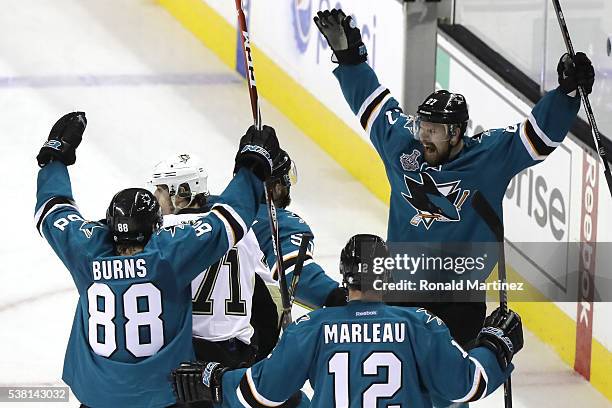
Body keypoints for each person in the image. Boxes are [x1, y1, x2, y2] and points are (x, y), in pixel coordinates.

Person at [313, 9, 595, 346]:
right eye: (423, 127)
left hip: (460, 300)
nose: (425, 137)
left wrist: (565, 93)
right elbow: (370, 102)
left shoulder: (486, 158)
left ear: (457, 133)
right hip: (404, 291)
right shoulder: (404, 145)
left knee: (453, 389)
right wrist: (349, 57)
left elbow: (537, 137)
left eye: (435, 131)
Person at [34, 112, 281, 408]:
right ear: (155, 227)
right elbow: (229, 220)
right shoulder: (168, 256)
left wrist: (54, 159)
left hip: (96, 393)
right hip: (159, 395)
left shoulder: (85, 253)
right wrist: (252, 166)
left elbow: (53, 211)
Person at [171, 234, 524, 408]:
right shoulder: (419, 324)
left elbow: (262, 392)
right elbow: (466, 385)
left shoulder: (312, 328)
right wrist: (495, 346)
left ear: (344, 277)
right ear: (387, 276)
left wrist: (215, 381)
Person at [148, 153, 280, 368]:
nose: (155, 196)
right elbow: (270, 294)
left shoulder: (163, 229)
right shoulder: (240, 229)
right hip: (236, 353)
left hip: (184, 352)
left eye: (161, 189)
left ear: (181, 194)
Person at [251, 149, 348, 314]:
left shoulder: (212, 210)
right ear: (276, 188)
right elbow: (295, 276)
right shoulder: (282, 224)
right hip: (240, 331)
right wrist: (341, 298)